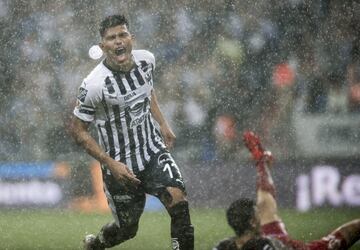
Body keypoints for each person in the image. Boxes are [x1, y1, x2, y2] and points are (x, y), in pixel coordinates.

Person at [69, 14, 194, 250]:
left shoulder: (147, 60)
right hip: (120, 167)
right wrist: (109, 163)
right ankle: (97, 245)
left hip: (152, 151)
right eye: (111, 38)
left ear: (131, 38)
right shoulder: (93, 85)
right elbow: (78, 131)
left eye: (122, 35)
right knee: (127, 230)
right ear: (102, 46)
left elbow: (147, 91)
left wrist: (163, 124)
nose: (118, 41)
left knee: (178, 200)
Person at [214, 131, 360, 250]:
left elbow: (264, 205)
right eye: (256, 215)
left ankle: (261, 163)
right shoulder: (267, 245)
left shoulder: (224, 246)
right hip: (287, 246)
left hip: (268, 240)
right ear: (252, 222)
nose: (260, 218)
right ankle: (261, 163)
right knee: (338, 240)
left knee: (266, 207)